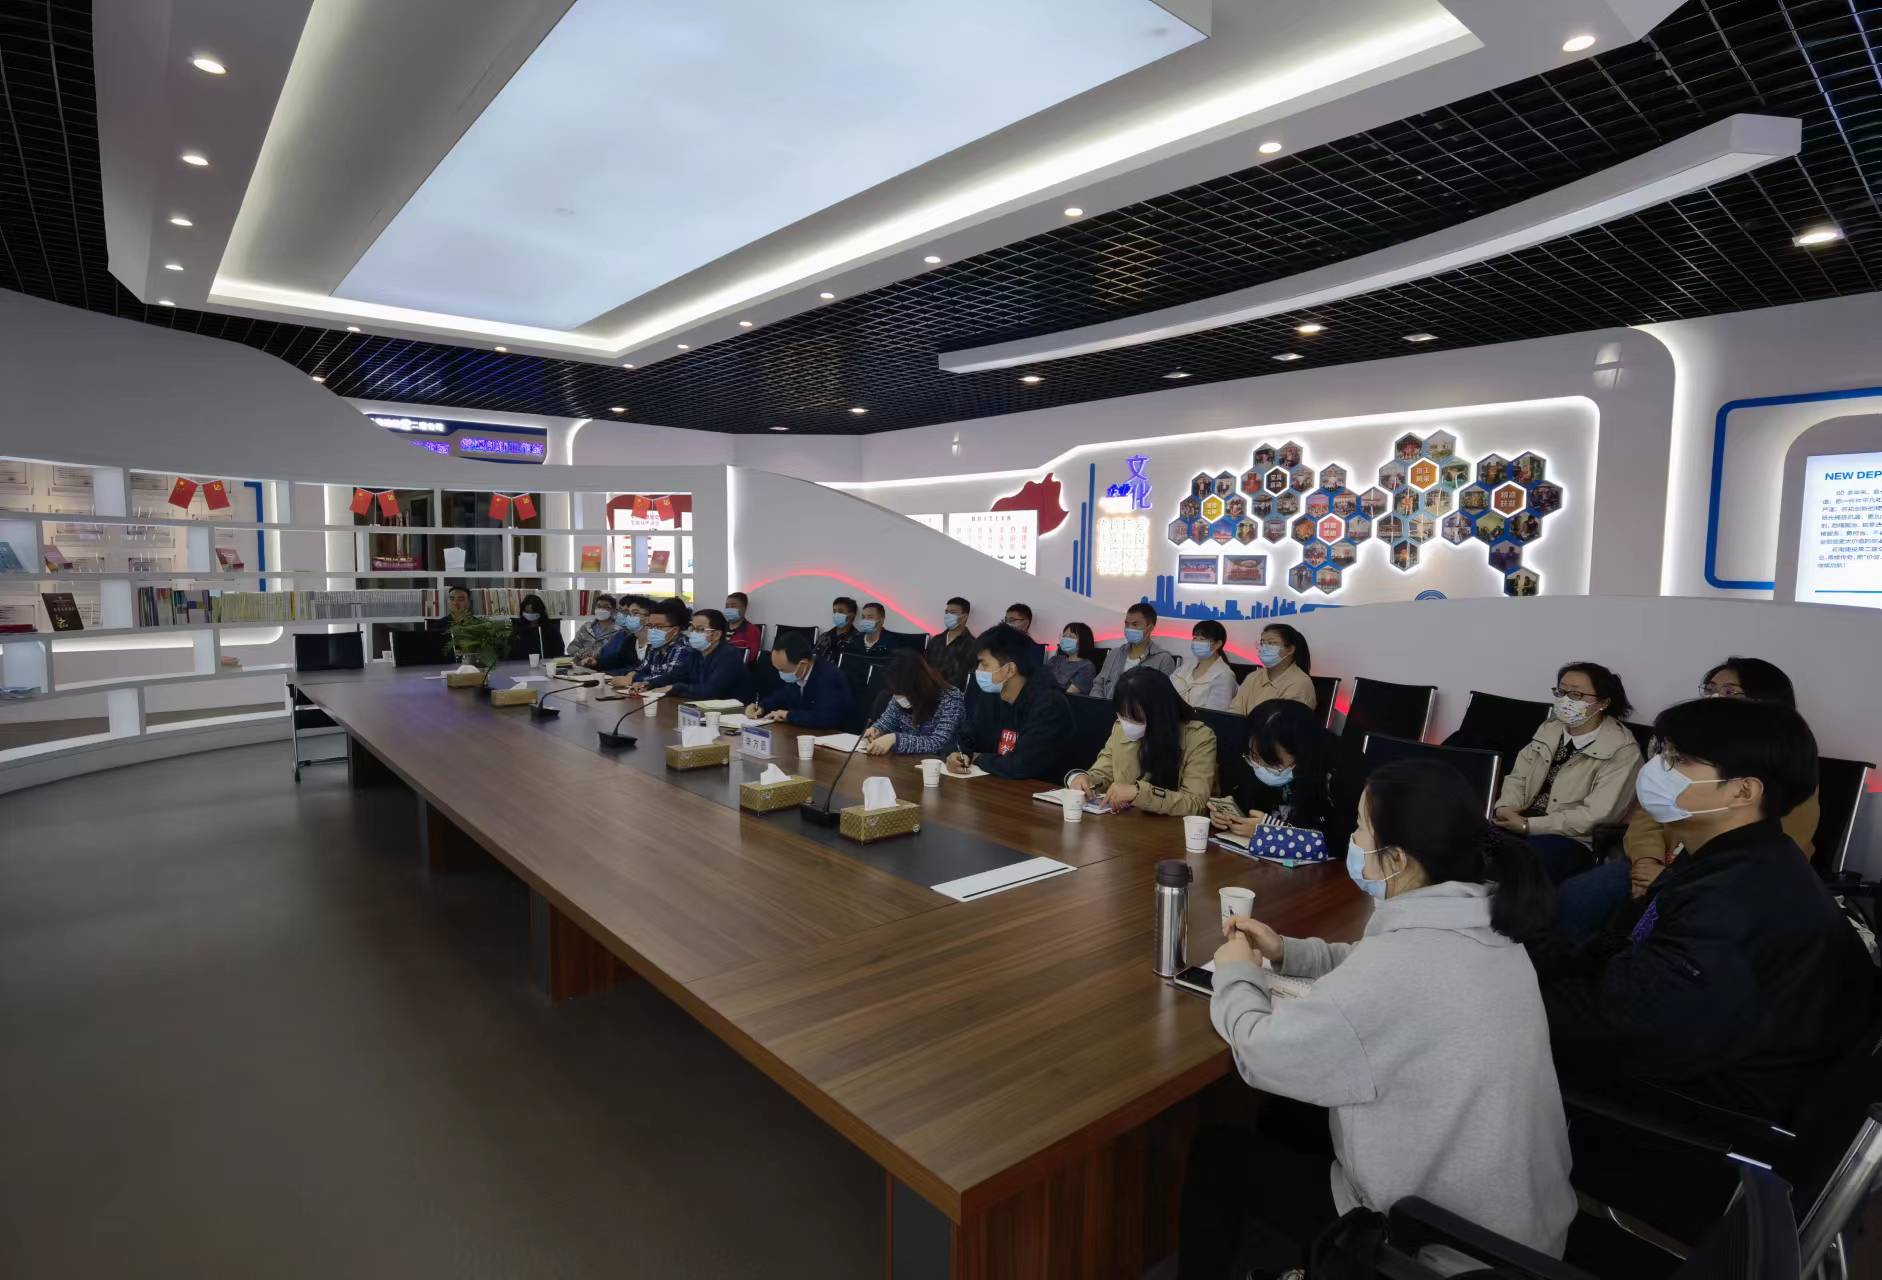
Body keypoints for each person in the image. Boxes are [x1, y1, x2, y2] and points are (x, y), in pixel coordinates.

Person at [1180, 760, 1573, 1276]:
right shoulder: (1485, 922)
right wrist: (1288, 952)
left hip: (1442, 1250)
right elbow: (1379, 968)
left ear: (1398, 860)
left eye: (1361, 827)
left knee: (1217, 1157)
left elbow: (1260, 1052)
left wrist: (1236, 973)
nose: (1354, 839)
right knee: (1287, 1120)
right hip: (1522, 1237)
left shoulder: (1402, 965)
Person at [1539, 697, 1878, 1124]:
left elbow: (1635, 1028)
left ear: (1743, 791)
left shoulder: (1741, 894)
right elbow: (1618, 947)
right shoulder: (1723, 857)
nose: (1656, 768)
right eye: (1662, 753)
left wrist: (1510, 1003)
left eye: (1678, 759)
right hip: (1694, 1046)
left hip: (1711, 1108)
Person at [1553, 656, 1821, 941]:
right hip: (1653, 864)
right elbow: (1648, 814)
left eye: (1730, 692)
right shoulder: (1689, 749)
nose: (1715, 698)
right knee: (1577, 898)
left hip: (1710, 882)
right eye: (1710, 689)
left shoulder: (1783, 772)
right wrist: (1647, 860)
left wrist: (1670, 880)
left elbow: (1768, 859)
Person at [1493, 662, 1642, 883]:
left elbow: (1597, 815)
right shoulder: (1549, 729)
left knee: (1525, 863)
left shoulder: (1623, 750)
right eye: (1561, 692)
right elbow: (1518, 778)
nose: (1565, 700)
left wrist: (1529, 826)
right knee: (1469, 845)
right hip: (1522, 821)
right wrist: (1505, 808)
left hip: (1572, 839)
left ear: (1603, 702)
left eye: (1576, 694)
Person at [1209, 699, 1353, 855]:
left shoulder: (1339, 775)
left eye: (1273, 764)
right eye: (1254, 756)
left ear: (1302, 755)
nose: (1261, 767)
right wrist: (1229, 816)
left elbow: (1341, 842)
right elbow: (1248, 806)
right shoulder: (1250, 758)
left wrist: (1274, 832)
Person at [1067, 668, 1216, 815]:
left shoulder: (1199, 738)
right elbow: (1104, 772)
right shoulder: (1120, 728)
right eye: (1122, 715)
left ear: (1158, 714)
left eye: (1135, 718)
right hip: (1127, 822)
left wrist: (1139, 793)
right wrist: (1086, 780)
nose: (1126, 723)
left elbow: (1195, 803)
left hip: (1173, 827)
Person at [947, 625, 1072, 782]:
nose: (978, 670)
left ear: (1010, 669)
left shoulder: (1049, 704)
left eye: (984, 664)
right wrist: (958, 754)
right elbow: (965, 736)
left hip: (1036, 789)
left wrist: (977, 758)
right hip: (992, 784)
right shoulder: (991, 692)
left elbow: (1023, 765)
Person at [862, 651, 964, 756]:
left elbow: (938, 743)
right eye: (896, 693)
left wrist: (895, 739)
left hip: (939, 761)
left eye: (902, 693)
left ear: (918, 686)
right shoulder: (900, 691)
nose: (898, 697)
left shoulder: (951, 698)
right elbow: (887, 721)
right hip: (906, 760)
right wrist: (876, 730)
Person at [747, 630, 853, 729]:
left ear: (802, 664)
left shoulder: (829, 677)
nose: (780, 674)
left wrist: (788, 715)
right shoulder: (798, 674)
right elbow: (782, 696)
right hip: (803, 732)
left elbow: (825, 717)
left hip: (833, 735)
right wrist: (762, 707)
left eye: (782, 670)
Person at [1089, 603, 1177, 699]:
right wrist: (1099, 704)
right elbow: (1098, 684)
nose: (1129, 628)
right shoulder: (1114, 654)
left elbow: (1164, 697)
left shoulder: (1163, 660)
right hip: (1106, 705)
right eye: (1126, 624)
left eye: (1135, 624)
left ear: (1150, 628)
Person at [1227, 624, 1316, 715]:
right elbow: (1234, 712)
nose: (1264, 648)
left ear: (1290, 650)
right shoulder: (1253, 677)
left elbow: (1285, 720)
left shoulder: (1300, 682)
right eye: (1262, 643)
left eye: (1271, 643)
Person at [665, 608, 749, 702]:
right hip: (700, 705)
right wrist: (652, 683)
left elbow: (711, 691)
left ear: (716, 635)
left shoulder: (729, 655)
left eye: (700, 629)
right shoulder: (695, 652)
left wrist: (676, 688)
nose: (693, 633)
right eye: (692, 628)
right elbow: (674, 676)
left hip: (733, 708)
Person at [607, 597, 691, 687]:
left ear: (675, 630)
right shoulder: (656, 647)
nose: (653, 631)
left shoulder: (683, 649)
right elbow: (641, 669)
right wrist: (629, 676)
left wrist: (631, 680)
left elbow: (666, 679)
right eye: (651, 626)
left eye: (659, 627)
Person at [1169, 620, 1238, 712]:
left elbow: (1213, 715)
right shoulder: (1184, 668)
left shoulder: (1224, 676)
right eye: (1195, 638)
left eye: (1202, 639)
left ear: (1218, 644)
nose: (1196, 642)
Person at [591, 594, 650, 673]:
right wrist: (596, 663)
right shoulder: (629, 640)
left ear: (649, 617)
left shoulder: (656, 642)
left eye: (635, 613)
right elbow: (617, 661)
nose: (627, 616)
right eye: (622, 612)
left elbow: (642, 670)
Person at [925, 597, 976, 688]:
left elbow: (968, 678)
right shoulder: (936, 640)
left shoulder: (973, 645)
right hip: (929, 690)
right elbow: (925, 667)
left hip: (954, 694)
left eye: (953, 612)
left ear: (964, 617)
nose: (948, 615)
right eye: (946, 612)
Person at [566, 593, 620, 667]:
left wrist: (593, 655)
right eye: (599, 606)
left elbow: (616, 653)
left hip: (604, 667)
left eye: (606, 607)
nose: (601, 609)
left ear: (613, 610)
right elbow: (571, 647)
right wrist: (582, 653)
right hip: (581, 666)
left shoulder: (619, 631)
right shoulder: (586, 627)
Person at [1045, 622, 1099, 696]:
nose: (1065, 639)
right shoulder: (1054, 660)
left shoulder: (1087, 667)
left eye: (1071, 636)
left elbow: (1068, 695)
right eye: (1064, 636)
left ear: (1083, 640)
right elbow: (1039, 679)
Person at [508, 592, 565, 661]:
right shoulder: (518, 630)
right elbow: (512, 654)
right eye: (527, 612)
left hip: (545, 664)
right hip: (521, 665)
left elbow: (559, 652)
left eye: (533, 612)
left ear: (540, 612)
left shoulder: (551, 631)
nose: (530, 615)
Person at [722, 591, 762, 666]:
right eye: (727, 606)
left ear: (744, 608)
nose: (729, 609)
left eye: (733, 606)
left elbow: (751, 656)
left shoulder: (752, 630)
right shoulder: (719, 627)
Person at [813, 596, 858, 662]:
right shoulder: (824, 636)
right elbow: (812, 658)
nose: (836, 615)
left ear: (851, 615)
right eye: (834, 612)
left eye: (840, 612)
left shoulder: (858, 639)